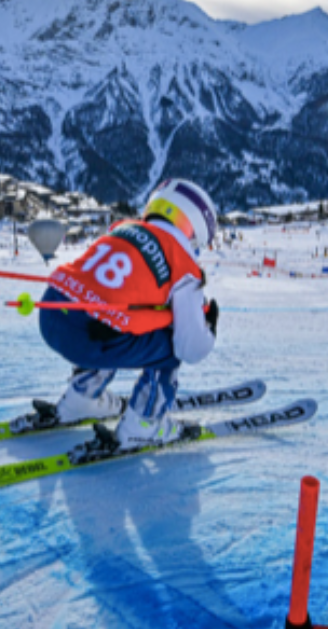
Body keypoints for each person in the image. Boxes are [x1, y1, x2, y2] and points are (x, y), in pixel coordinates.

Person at [11, 179, 220, 450]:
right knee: (169, 348)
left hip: (52, 312)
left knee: (114, 318)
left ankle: (81, 399)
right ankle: (143, 425)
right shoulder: (183, 263)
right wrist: (210, 327)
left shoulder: (123, 229)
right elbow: (190, 347)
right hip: (94, 338)